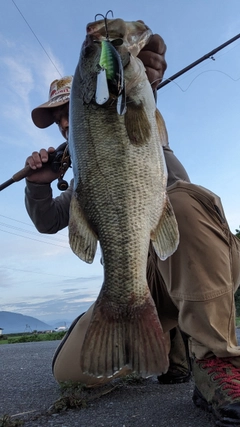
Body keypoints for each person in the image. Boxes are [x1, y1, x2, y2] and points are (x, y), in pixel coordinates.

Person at [25, 32, 240, 426]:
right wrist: (37, 187)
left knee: (180, 199)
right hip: (141, 287)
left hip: (196, 265)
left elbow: (143, 93)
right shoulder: (81, 180)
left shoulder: (141, 122)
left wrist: (145, 78)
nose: (63, 122)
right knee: (70, 372)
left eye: (68, 108)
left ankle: (215, 360)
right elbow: (48, 221)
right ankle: (163, 341)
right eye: (57, 119)